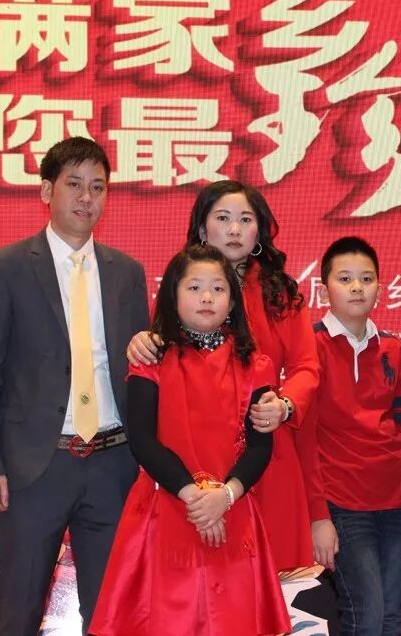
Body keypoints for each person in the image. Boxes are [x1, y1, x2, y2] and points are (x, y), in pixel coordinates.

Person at [0, 137, 149, 634]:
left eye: (98, 187)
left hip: (113, 465)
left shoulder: (127, 274)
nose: (87, 198)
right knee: (20, 615)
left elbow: (142, 375)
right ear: (47, 191)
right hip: (33, 470)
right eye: (74, 184)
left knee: (111, 618)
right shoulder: (6, 268)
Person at [89, 245, 291, 636]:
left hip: (233, 513)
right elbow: (142, 440)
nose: (206, 297)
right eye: (194, 287)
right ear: (173, 295)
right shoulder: (150, 358)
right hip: (165, 508)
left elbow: (260, 447)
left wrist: (224, 497)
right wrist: (195, 498)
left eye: (218, 288)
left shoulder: (255, 365)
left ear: (232, 301)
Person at [126, 180, 319, 570]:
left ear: (259, 231)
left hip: (262, 448)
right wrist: (141, 341)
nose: (234, 229)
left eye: (245, 220)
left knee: (265, 579)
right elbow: (161, 351)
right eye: (223, 218)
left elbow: (306, 367)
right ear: (202, 227)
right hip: (193, 463)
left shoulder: (280, 293)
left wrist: (283, 405)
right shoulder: (180, 286)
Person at [295, 236, 401, 636]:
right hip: (343, 505)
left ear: (379, 286)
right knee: (367, 619)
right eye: (345, 278)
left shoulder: (393, 349)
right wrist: (318, 517)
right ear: (324, 287)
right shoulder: (309, 348)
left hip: (397, 504)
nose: (357, 287)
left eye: (366, 278)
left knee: (392, 619)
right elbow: (303, 442)